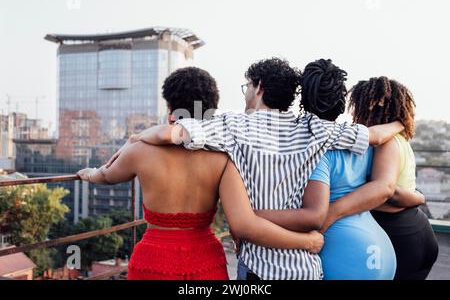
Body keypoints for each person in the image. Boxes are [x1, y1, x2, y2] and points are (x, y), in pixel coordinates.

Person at [109, 58, 404, 280]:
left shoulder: (232, 125)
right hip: (305, 267)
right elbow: (375, 136)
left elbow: (170, 135)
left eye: (247, 87)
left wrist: (137, 137)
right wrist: (401, 122)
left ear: (259, 87)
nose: (245, 93)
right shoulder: (314, 127)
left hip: (260, 266)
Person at [77, 67, 324, 280]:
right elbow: (244, 222)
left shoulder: (140, 149)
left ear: (170, 105)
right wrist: (308, 242)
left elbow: (107, 175)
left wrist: (90, 173)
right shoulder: (223, 155)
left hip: (153, 259)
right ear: (211, 108)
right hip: (205, 259)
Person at [349, 77, 439, 280]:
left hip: (400, 238)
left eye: (358, 107)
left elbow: (390, 191)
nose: (354, 114)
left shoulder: (386, 144)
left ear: (369, 109)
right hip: (414, 231)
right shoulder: (400, 140)